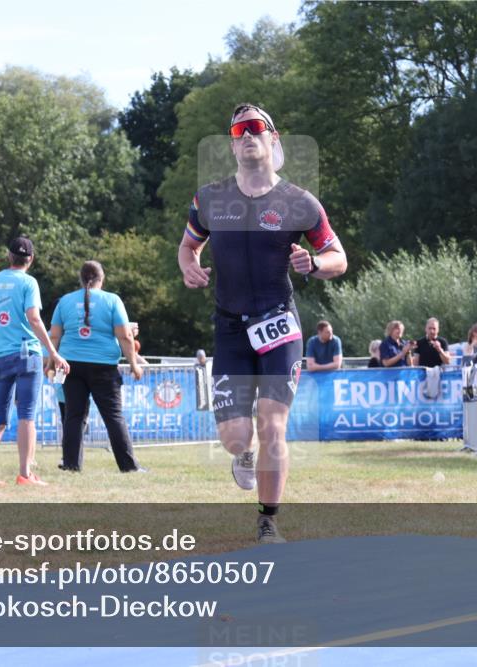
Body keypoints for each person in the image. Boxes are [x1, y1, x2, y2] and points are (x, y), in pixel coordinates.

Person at [178, 102, 347, 543]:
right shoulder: (210, 199)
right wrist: (188, 266)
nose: (248, 135)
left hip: (279, 324)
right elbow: (187, 246)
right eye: (239, 131)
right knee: (237, 438)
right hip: (230, 327)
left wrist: (312, 264)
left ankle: (268, 520)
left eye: (257, 128)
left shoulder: (299, 202)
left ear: (274, 139)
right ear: (233, 146)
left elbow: (339, 258)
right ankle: (243, 454)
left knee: (274, 424)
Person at [0, 236, 69, 487]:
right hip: (27, 354)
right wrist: (53, 352)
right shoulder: (29, 283)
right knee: (27, 414)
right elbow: (34, 318)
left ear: (9, 257)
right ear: (31, 259)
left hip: (1, 357)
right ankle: (25, 474)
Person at [50, 260, 144, 473]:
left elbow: (55, 335)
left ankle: (71, 465)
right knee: (113, 417)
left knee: (73, 416)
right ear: (102, 279)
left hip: (70, 365)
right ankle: (128, 467)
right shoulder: (112, 300)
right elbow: (126, 336)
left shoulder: (64, 301)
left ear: (80, 279)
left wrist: (51, 363)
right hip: (103, 367)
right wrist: (134, 365)